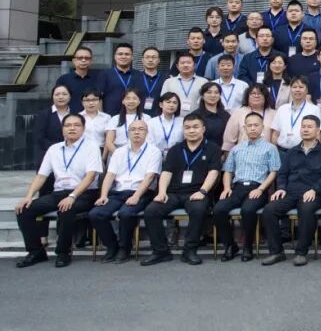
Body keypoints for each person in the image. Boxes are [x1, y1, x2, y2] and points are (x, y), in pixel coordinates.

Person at [14, 113, 101, 268]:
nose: (72, 128)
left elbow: (91, 176)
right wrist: (28, 196)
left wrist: (73, 196)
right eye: (68, 125)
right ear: (62, 129)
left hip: (84, 193)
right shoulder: (54, 149)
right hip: (59, 192)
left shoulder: (91, 147)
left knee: (66, 209)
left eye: (76, 125)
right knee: (24, 210)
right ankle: (36, 251)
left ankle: (63, 252)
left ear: (83, 128)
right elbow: (41, 176)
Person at [141, 114, 222, 266]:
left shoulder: (213, 149)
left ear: (203, 129)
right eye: (187, 127)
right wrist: (162, 192)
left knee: (198, 210)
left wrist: (203, 191)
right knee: (151, 211)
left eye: (195, 127)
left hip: (197, 192)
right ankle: (161, 251)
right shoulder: (175, 149)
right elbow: (166, 172)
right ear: (183, 130)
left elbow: (214, 173)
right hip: (173, 193)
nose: (191, 131)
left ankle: (189, 250)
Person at [261, 115, 321, 266]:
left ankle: (301, 252)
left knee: (306, 209)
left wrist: (315, 190)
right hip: (291, 192)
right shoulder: (292, 152)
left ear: (317, 130)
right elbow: (282, 173)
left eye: (309, 127)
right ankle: (276, 252)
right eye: (303, 126)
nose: (305, 130)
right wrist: (281, 188)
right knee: (269, 210)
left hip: (313, 193)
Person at [89, 118, 160, 263]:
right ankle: (112, 247)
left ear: (147, 132)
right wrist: (103, 195)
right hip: (118, 192)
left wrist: (136, 196)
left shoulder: (154, 151)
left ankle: (124, 248)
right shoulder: (119, 152)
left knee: (126, 213)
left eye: (141, 129)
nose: (137, 132)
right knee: (96, 214)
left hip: (141, 192)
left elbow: (149, 177)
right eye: (133, 129)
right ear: (128, 133)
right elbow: (110, 175)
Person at [214, 112, 280, 262]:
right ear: (244, 128)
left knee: (248, 210)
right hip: (237, 188)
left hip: (258, 188)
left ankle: (248, 247)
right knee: (218, 209)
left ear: (262, 127)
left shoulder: (270, 148)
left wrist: (261, 189)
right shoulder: (236, 149)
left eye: (256, 125)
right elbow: (228, 170)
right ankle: (230, 246)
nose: (253, 128)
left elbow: (273, 172)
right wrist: (226, 188)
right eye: (249, 125)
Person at [222, 84, 276, 152]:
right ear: (247, 96)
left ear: (266, 97)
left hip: (266, 153)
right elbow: (229, 139)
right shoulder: (238, 112)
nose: (256, 96)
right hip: (242, 153)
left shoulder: (274, 114)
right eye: (253, 93)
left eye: (260, 93)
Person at [272, 78, 317, 151]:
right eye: (294, 87)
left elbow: (317, 135)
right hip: (282, 151)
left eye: (301, 87)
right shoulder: (282, 109)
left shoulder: (314, 109)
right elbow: (275, 134)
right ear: (290, 89)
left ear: (307, 90)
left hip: (304, 152)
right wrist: (275, 152)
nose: (297, 90)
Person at [162, 52, 207, 116]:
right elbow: (163, 101)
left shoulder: (203, 82)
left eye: (189, 63)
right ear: (177, 66)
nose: (185, 65)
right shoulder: (169, 82)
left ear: (194, 65)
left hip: (197, 119)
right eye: (182, 63)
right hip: (174, 118)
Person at [97, 43, 136, 115]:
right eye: (120, 54)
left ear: (132, 57)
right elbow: (98, 97)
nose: (123, 56)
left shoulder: (138, 75)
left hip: (133, 116)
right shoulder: (105, 74)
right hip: (110, 116)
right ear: (115, 56)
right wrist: (101, 116)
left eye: (127, 54)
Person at [55, 46, 97, 112]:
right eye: (80, 58)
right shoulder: (63, 79)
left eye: (87, 58)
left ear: (91, 61)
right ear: (74, 61)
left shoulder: (98, 79)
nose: (83, 60)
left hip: (91, 116)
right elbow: (57, 101)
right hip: (69, 116)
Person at [105, 88, 145, 155]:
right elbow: (109, 142)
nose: (131, 101)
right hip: (117, 152)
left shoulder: (146, 118)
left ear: (139, 101)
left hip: (140, 152)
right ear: (123, 101)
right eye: (128, 98)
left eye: (134, 98)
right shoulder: (115, 119)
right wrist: (120, 155)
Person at [192, 82, 230, 146]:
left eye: (216, 92)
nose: (213, 95)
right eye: (209, 92)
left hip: (222, 150)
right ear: (202, 96)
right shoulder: (195, 115)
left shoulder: (226, 115)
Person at [137, 47, 165, 114]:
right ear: (142, 60)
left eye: (154, 57)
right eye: (147, 57)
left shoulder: (166, 78)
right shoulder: (135, 77)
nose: (150, 60)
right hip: (139, 116)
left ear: (159, 60)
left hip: (159, 116)